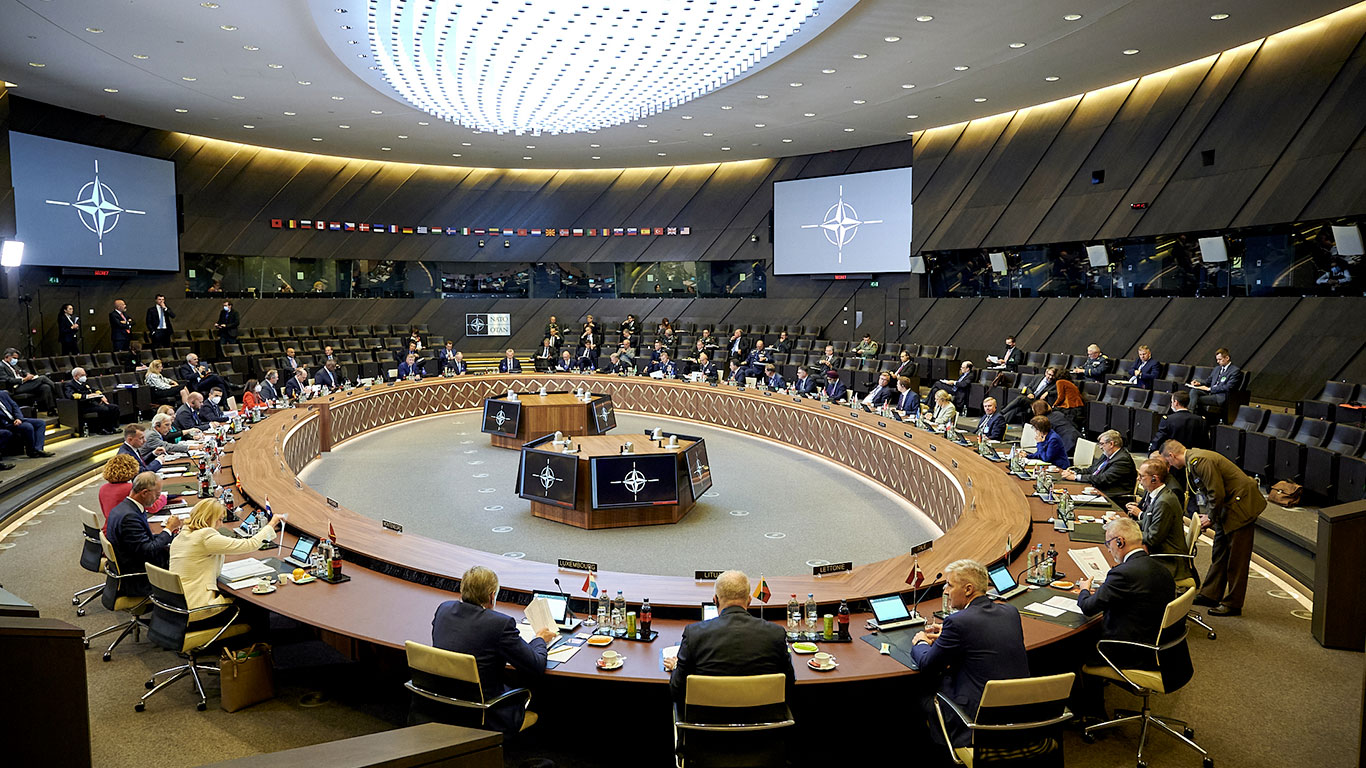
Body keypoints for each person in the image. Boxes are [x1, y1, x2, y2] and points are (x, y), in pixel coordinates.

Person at [910, 559, 1029, 748]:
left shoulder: (958, 622)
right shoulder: (1010, 612)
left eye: (949, 585)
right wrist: (948, 636)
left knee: (916, 693)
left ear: (968, 589)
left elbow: (927, 663)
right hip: (1018, 714)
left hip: (974, 720)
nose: (945, 590)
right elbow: (983, 637)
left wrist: (921, 642)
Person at [430, 566, 556, 735]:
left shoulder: (443, 609)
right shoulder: (499, 624)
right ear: (491, 596)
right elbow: (536, 666)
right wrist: (540, 639)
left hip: (442, 704)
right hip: (485, 711)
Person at [1076, 517, 1177, 715]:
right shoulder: (1161, 569)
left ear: (1119, 542)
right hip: (1164, 650)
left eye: (1108, 544)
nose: (1108, 549)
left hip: (1131, 652)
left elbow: (1088, 607)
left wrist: (1084, 590)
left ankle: (1091, 712)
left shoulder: (1123, 573)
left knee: (1073, 644)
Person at [1160, 440, 1265, 617]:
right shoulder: (1195, 459)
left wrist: (1210, 517)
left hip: (1241, 508)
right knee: (1220, 552)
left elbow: (1216, 492)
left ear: (1172, 455)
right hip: (1228, 508)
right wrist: (1212, 515)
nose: (1171, 466)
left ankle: (1233, 603)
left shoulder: (1199, 461)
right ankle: (1211, 593)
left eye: (1168, 462)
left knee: (1237, 559)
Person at [663, 570, 794, 706]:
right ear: (749, 601)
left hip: (707, 722)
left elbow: (677, 690)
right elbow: (789, 685)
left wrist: (677, 666)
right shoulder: (775, 634)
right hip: (764, 722)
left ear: (715, 600)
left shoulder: (694, 634)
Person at [170, 498, 283, 613]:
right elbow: (250, 544)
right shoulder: (205, 536)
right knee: (254, 605)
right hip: (198, 607)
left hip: (177, 605)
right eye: (219, 520)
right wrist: (271, 524)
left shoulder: (182, 535)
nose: (221, 524)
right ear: (209, 519)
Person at [105, 471, 181, 596]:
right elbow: (148, 550)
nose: (159, 497)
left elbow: (141, 541)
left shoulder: (124, 508)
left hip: (131, 563)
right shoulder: (130, 517)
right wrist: (168, 529)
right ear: (145, 493)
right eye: (157, 494)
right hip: (139, 579)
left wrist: (169, 536)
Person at [1124, 459, 1193, 582]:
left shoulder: (1164, 502)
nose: (1138, 479)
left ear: (1154, 479)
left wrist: (1128, 535)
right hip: (1159, 551)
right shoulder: (1158, 495)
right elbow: (1148, 521)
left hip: (1167, 559)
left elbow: (1153, 538)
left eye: (1141, 476)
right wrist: (1125, 525)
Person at [1062, 429, 1137, 499]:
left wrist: (1076, 477)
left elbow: (1103, 479)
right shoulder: (1107, 454)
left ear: (1111, 444)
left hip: (1112, 496)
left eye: (1102, 444)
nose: (1100, 447)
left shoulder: (1122, 460)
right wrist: (1075, 472)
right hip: (1097, 489)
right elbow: (1092, 469)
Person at [98, 454, 167, 525]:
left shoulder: (103, 488)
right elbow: (154, 507)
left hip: (111, 526)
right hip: (128, 526)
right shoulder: (130, 488)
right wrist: (163, 497)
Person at [1, 348, 60, 414]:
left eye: (17, 358)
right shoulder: (1, 366)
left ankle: (51, 410)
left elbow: (23, 372)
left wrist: (28, 375)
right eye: (14, 358)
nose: (16, 360)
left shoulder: (14, 365)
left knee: (45, 387)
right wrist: (24, 379)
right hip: (15, 388)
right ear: (7, 357)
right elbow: (8, 380)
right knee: (43, 378)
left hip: (24, 384)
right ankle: (60, 392)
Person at [64, 367, 120, 434]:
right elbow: (71, 395)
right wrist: (87, 396)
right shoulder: (70, 385)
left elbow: (95, 390)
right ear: (76, 376)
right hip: (82, 406)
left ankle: (111, 427)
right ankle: (101, 429)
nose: (84, 377)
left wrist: (101, 396)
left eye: (85, 375)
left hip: (93, 404)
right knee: (104, 409)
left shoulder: (85, 383)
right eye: (82, 375)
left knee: (114, 407)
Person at [0, 389, 54, 457]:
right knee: (28, 426)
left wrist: (18, 418)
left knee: (41, 423)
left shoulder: (3, 394)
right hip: (5, 424)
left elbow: (15, 406)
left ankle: (38, 449)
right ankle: (31, 451)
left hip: (16, 419)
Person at [1188, 348, 1243, 414]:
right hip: (1211, 393)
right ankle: (1190, 413)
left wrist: (1210, 389)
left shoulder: (1235, 371)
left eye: (1219, 359)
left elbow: (1228, 387)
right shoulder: (1217, 368)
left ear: (1227, 358)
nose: (1217, 362)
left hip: (1220, 396)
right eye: (1217, 359)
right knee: (1194, 391)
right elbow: (1208, 381)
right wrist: (1199, 383)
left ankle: (1190, 413)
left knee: (1195, 399)